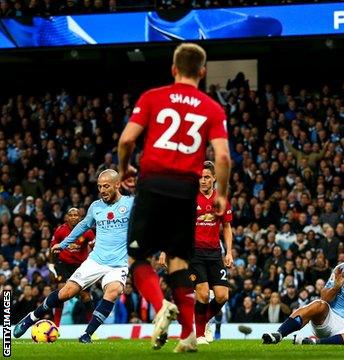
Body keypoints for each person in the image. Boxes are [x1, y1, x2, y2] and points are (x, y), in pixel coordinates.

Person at [118, 42, 230, 352]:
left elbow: (127, 138)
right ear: (203, 72)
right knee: (179, 261)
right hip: (186, 191)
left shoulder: (153, 97)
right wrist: (222, 193)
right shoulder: (212, 107)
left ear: (173, 69)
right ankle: (188, 337)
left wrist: (124, 166)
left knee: (138, 258)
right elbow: (222, 157)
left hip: (153, 184)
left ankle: (160, 305)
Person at [13, 170, 132, 343]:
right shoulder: (96, 207)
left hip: (118, 264)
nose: (102, 190)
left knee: (113, 291)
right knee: (66, 293)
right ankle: (32, 317)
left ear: (117, 185)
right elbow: (82, 226)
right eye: (99, 187)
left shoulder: (130, 204)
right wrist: (63, 244)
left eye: (106, 186)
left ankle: (87, 334)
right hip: (96, 261)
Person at [160, 161, 233, 345]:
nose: (203, 180)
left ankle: (201, 321)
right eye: (200, 177)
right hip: (194, 253)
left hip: (215, 253)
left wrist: (229, 252)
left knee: (223, 296)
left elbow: (226, 226)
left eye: (207, 177)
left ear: (214, 178)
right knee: (202, 294)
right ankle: (199, 335)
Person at [261, 245, 344, 346]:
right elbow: (325, 298)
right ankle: (278, 335)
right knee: (319, 304)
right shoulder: (342, 270)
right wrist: (336, 287)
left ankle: (314, 343)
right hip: (329, 319)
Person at [49, 207, 95, 326]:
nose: (73, 217)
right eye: (71, 215)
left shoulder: (87, 231)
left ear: (80, 218)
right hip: (64, 265)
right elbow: (53, 249)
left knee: (85, 296)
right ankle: (56, 326)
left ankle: (92, 327)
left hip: (80, 266)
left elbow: (95, 246)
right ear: (67, 217)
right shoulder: (60, 231)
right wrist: (52, 266)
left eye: (76, 215)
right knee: (61, 291)